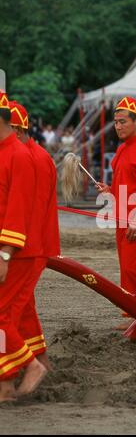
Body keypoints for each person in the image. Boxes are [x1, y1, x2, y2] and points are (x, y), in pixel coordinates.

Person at [96, 97, 136, 329]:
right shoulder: (121, 149)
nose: (118, 126)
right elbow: (124, 185)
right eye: (115, 122)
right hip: (122, 218)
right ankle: (135, 315)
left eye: (123, 121)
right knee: (127, 268)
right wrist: (109, 190)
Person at [0, 93, 47, 402]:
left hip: (18, 252)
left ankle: (32, 366)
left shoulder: (18, 155)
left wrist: (4, 254)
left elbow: (17, 210)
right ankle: (6, 385)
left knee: (2, 318)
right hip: (12, 249)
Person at [9, 100, 60, 373]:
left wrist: (12, 248)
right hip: (28, 245)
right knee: (24, 306)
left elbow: (31, 210)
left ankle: (27, 367)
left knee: (11, 310)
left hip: (28, 247)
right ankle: (40, 362)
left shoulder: (31, 158)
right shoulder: (34, 155)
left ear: (15, 130)